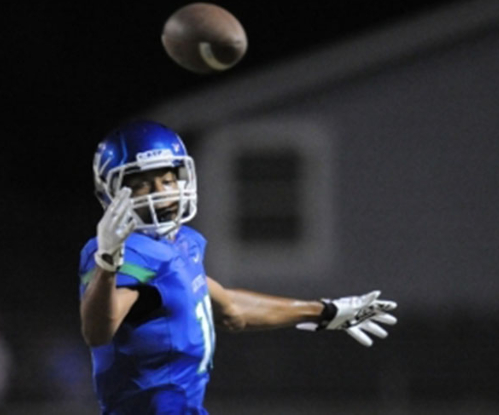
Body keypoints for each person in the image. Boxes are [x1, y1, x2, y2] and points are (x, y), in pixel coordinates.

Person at [78, 120, 397, 415]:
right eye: (143, 184)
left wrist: (324, 312)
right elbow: (98, 331)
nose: (161, 193)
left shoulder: (180, 245)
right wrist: (107, 264)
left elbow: (231, 309)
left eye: (167, 179)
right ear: (111, 191)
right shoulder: (129, 252)